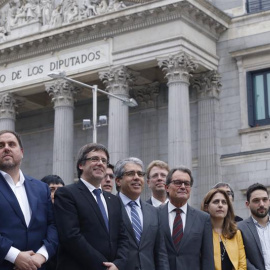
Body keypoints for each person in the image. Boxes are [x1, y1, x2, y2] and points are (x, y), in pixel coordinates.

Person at [54, 143, 129, 270]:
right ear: (81, 165)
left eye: (104, 160)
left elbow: (123, 237)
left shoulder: (114, 200)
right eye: (94, 159)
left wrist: (118, 264)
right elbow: (71, 236)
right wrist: (103, 266)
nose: (100, 163)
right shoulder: (67, 194)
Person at [0, 130, 58, 270]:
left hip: (39, 265)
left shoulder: (41, 188)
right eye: (1, 145)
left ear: (21, 152)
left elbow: (53, 225)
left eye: (11, 144)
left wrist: (41, 255)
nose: (6, 148)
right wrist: (15, 256)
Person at [115, 157, 170, 270]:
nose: (136, 177)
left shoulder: (153, 212)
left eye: (140, 174)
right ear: (118, 181)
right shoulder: (110, 207)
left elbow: (160, 253)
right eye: (131, 173)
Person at [159, 166, 215, 270]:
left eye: (187, 183)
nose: (183, 186)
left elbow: (207, 258)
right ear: (167, 187)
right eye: (178, 182)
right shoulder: (155, 214)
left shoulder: (203, 219)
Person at [201, 188, 246, 270]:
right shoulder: (200, 234)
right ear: (206, 207)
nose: (220, 205)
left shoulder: (236, 233)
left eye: (224, 202)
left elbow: (242, 265)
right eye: (216, 202)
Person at [238, 183, 270, 270]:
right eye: (256, 201)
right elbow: (242, 258)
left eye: (265, 200)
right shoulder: (240, 228)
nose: (262, 204)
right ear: (247, 204)